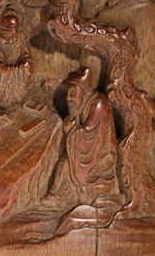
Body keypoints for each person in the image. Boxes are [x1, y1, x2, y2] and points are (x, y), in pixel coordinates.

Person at [50, 67, 120, 206]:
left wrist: (71, 130)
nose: (68, 98)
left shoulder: (99, 105)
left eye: (72, 93)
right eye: (68, 94)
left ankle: (59, 198)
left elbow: (89, 138)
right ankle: (56, 196)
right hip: (94, 152)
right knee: (64, 162)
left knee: (66, 164)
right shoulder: (84, 104)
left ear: (85, 92)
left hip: (103, 157)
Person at [0, 8, 32, 109]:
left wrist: (24, 66)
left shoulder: (21, 36)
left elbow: (27, 56)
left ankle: (17, 100)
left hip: (17, 71)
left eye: (13, 36)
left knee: (27, 69)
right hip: (0, 72)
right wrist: (2, 69)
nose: (10, 40)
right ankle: (2, 103)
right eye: (5, 36)